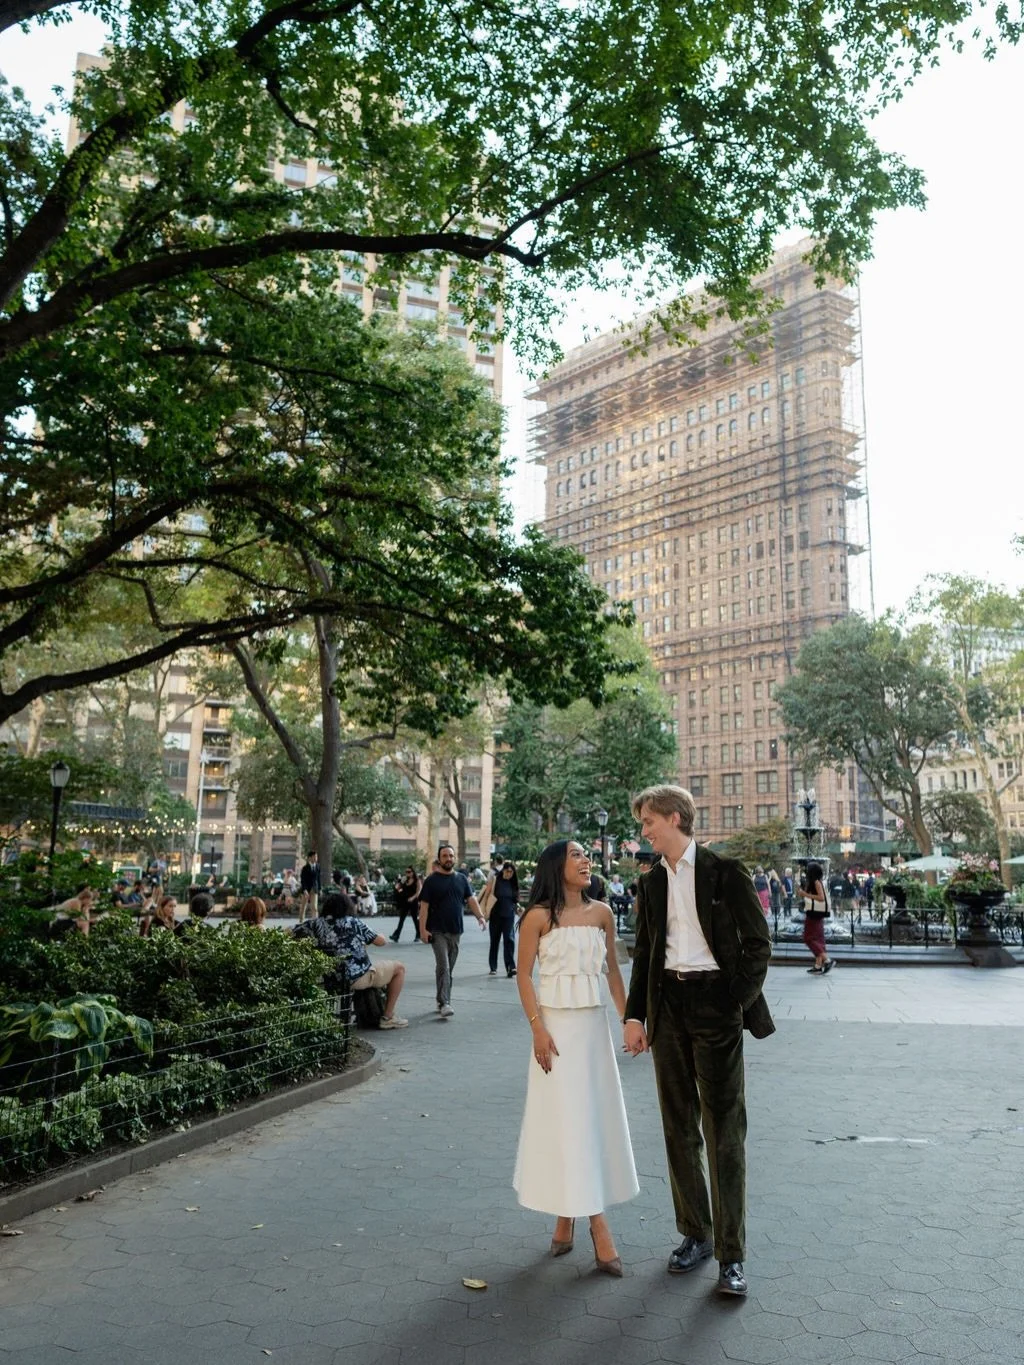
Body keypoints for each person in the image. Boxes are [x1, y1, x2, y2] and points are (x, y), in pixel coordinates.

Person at [623, 784, 774, 1298]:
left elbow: (759, 942)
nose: (643, 830)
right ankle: (695, 1234)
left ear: (672, 817)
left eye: (648, 821)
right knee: (678, 1128)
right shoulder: (651, 884)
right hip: (668, 1009)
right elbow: (644, 953)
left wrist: (735, 998)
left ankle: (732, 1256)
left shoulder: (726, 872)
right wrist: (635, 1016)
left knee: (725, 1130)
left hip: (716, 1007)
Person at [514, 839, 638, 1275]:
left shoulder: (603, 913)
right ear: (555, 866)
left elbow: (614, 972)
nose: (586, 860)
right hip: (555, 1036)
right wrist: (537, 1030)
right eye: (576, 854)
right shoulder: (536, 918)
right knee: (567, 1124)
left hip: (593, 1034)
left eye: (587, 854)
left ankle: (566, 1217)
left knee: (590, 1124)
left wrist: (630, 1020)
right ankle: (598, 1227)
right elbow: (524, 976)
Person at [296, 892, 408, 1028]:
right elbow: (380, 942)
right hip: (356, 977)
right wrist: (380, 935)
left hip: (330, 978)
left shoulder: (315, 924)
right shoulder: (352, 922)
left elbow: (290, 933)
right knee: (399, 968)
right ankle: (388, 1017)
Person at [418, 842, 486, 1018]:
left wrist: (480, 917)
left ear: (454, 858)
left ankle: (442, 997)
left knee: (448, 968)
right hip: (437, 930)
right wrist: (422, 930)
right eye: (444, 856)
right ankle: (444, 1003)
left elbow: (471, 900)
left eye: (451, 856)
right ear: (439, 859)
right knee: (444, 966)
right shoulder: (431, 881)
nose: (448, 859)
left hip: (456, 930)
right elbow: (423, 908)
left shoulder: (461, 879)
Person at [485, 861, 520, 978]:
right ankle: (493, 967)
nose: (509, 874)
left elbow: (515, 901)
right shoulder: (496, 880)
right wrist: (484, 911)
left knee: (509, 940)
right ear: (503, 870)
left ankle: (511, 967)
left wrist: (519, 908)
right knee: (494, 941)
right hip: (495, 915)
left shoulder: (513, 884)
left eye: (511, 872)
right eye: (507, 871)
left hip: (509, 916)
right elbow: (487, 894)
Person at [802, 861, 833, 974]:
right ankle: (818, 965)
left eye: (808, 869)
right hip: (816, 914)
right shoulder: (815, 882)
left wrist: (804, 894)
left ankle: (827, 960)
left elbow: (820, 898)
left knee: (808, 938)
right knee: (818, 939)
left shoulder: (816, 882)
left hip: (813, 914)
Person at [390, 867, 422, 943]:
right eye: (406, 872)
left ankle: (418, 935)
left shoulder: (417, 881)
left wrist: (412, 898)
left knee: (415, 919)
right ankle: (396, 936)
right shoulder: (405, 880)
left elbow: (418, 892)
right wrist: (400, 882)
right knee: (401, 919)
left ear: (413, 872)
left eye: (409, 871)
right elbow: (397, 888)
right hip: (405, 901)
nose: (407, 873)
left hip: (413, 901)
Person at [299, 851, 320, 923]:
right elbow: (303, 880)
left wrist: (319, 889)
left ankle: (315, 922)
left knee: (314, 907)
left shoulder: (318, 866)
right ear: (310, 858)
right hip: (306, 890)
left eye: (316, 857)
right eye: (314, 857)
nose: (316, 858)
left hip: (315, 889)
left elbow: (318, 879)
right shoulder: (305, 868)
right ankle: (301, 921)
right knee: (303, 906)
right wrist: (304, 889)